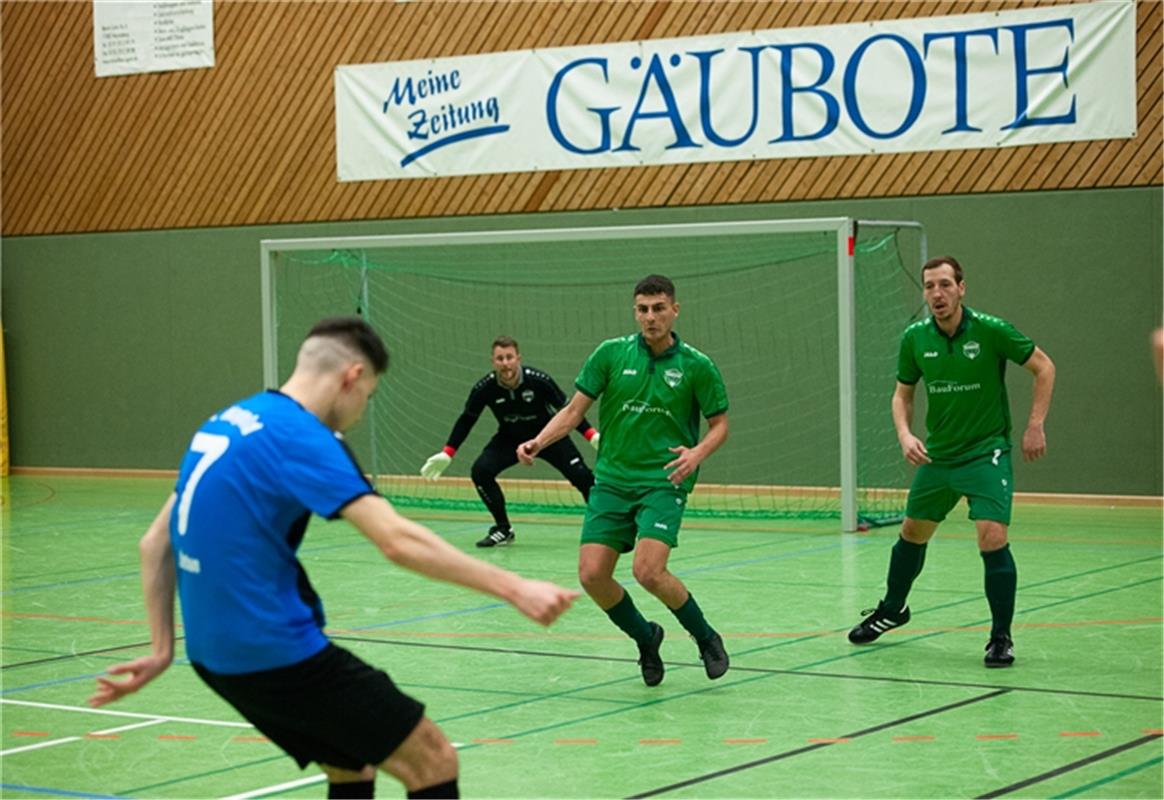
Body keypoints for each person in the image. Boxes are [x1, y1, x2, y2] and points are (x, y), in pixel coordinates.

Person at [88, 317, 578, 800]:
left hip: (211, 656)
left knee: (349, 763)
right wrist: (516, 587)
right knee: (433, 760)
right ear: (352, 378)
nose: (361, 411)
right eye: (368, 396)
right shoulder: (302, 436)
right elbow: (397, 541)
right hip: (273, 649)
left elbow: (155, 543)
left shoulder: (229, 420)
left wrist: (161, 648)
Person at [516, 275, 730, 687]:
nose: (650, 317)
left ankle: (706, 637)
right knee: (592, 575)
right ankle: (646, 638)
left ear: (674, 310)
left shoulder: (696, 366)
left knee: (649, 571)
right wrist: (538, 442)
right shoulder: (610, 355)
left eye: (658, 308)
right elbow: (574, 411)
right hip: (612, 480)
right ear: (635, 312)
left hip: (663, 480)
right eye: (643, 309)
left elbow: (720, 425)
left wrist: (698, 452)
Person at [848, 256, 1055, 668]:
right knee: (912, 532)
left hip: (985, 452)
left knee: (991, 536)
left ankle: (1000, 636)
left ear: (962, 288)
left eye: (945, 285)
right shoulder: (915, 338)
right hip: (939, 456)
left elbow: (1044, 367)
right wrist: (905, 435)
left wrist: (1035, 425)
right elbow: (901, 394)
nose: (937, 294)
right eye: (929, 287)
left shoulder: (992, 331)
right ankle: (893, 609)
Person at [419, 336, 598, 548]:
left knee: (583, 477)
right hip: (510, 438)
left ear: (518, 358)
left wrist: (591, 435)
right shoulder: (485, 388)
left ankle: (601, 528)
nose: (505, 363)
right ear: (493, 362)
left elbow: (569, 410)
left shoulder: (539, 381)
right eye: (500, 358)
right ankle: (503, 529)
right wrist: (448, 452)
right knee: (481, 471)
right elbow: (467, 419)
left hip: (547, 437)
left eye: (509, 357)